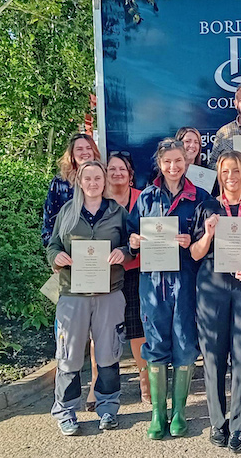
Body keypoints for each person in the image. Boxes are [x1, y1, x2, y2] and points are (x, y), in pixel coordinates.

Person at [127, 138, 212, 440]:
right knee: (156, 342)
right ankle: (157, 413)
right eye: (167, 162)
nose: (173, 167)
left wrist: (193, 241)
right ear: (160, 165)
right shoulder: (146, 198)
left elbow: (206, 243)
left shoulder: (200, 197)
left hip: (187, 281)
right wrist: (134, 242)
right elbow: (129, 236)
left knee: (185, 342)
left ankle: (179, 412)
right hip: (152, 283)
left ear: (186, 162)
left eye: (178, 161)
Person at [190, 151, 241, 453]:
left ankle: (238, 424)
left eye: (236, 171)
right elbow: (195, 253)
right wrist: (209, 234)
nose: (231, 177)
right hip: (212, 284)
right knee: (212, 355)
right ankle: (217, 422)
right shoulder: (207, 207)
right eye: (225, 171)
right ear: (218, 173)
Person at [46, 161, 132, 435]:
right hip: (74, 295)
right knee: (69, 356)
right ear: (80, 182)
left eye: (98, 178)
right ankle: (66, 411)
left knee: (108, 353)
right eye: (88, 178)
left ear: (104, 182)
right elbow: (54, 245)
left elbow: (131, 243)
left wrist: (124, 252)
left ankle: (108, 408)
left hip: (109, 293)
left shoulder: (118, 212)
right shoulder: (67, 213)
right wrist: (55, 257)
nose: (93, 183)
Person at [106, 151, 150, 404]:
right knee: (102, 329)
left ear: (130, 174)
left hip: (137, 270)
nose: (117, 173)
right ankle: (101, 386)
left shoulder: (142, 199)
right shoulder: (98, 200)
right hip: (104, 273)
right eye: (112, 169)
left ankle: (145, 382)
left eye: (122, 169)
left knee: (136, 329)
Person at [42, 133, 101, 247]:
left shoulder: (104, 179)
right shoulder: (60, 182)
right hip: (67, 248)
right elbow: (50, 219)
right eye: (79, 149)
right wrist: (54, 249)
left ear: (94, 152)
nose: (85, 152)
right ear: (72, 154)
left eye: (89, 148)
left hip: (99, 248)